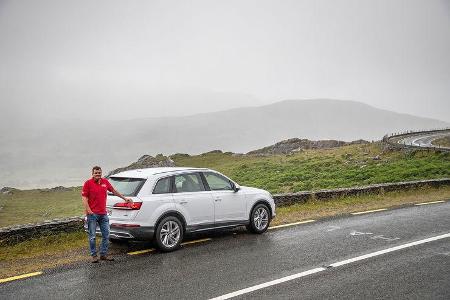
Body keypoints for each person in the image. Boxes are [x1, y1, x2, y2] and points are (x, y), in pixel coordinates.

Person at [82, 166, 132, 263]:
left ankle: (103, 254)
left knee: (107, 235)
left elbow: (114, 191)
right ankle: (93, 256)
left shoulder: (105, 182)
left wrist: (125, 198)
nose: (98, 174)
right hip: (92, 214)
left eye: (99, 173)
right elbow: (84, 198)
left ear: (101, 173)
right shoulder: (88, 183)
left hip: (103, 214)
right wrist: (89, 210)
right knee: (92, 236)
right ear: (92, 174)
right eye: (96, 173)